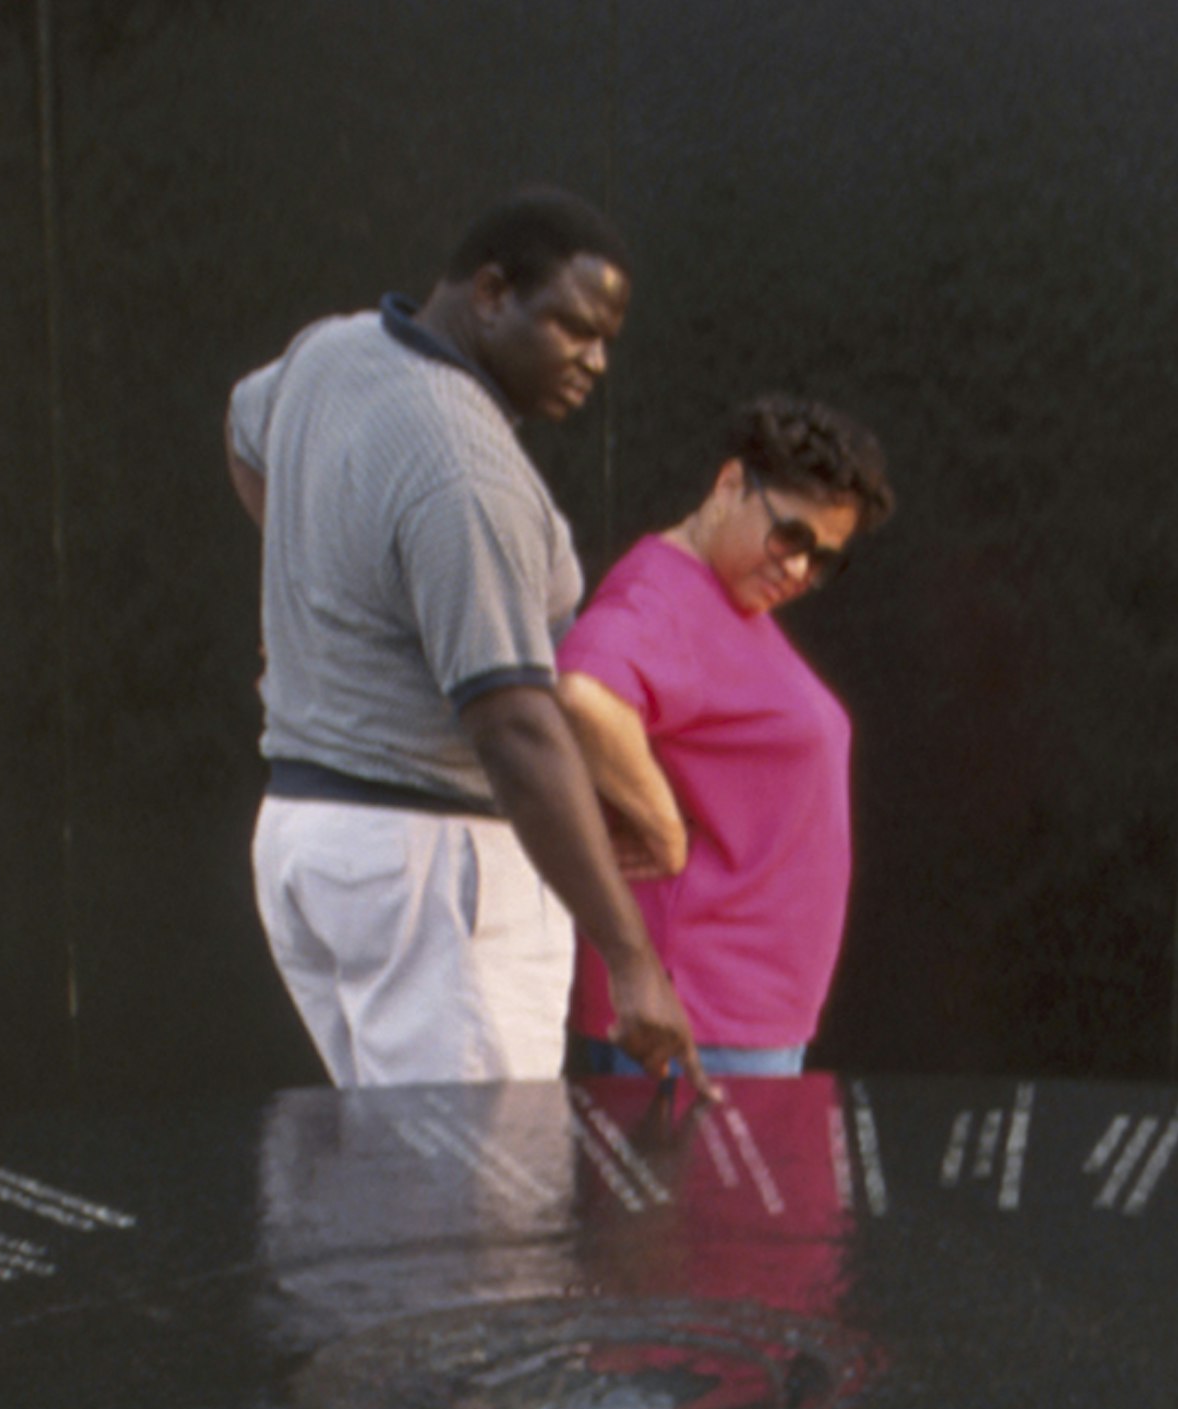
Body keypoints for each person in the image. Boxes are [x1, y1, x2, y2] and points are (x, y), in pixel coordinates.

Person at [225, 197, 695, 1088]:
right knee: (479, 1204)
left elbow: (243, 426)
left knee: (394, 1188)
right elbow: (515, 731)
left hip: (309, 842)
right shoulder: (464, 471)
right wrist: (633, 961)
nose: (595, 362)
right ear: (490, 294)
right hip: (428, 863)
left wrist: (324, 607)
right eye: (574, 328)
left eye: (608, 341)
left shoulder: (334, 350)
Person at [553, 398, 896, 1080]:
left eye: (823, 559)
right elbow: (583, 693)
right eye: (790, 537)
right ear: (731, 484)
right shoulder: (663, 594)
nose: (799, 570)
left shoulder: (722, 600)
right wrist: (664, 831)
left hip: (744, 1015)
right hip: (701, 1016)